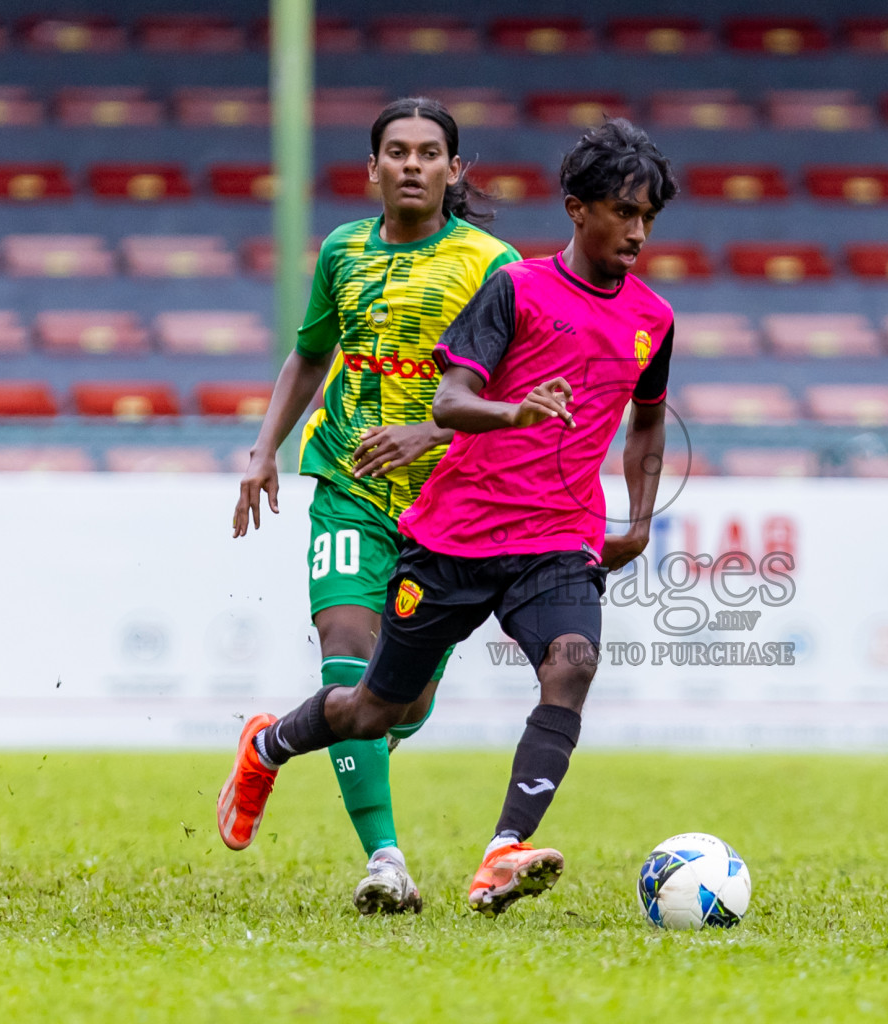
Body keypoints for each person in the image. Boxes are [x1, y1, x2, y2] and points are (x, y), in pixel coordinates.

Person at [218, 118, 678, 917]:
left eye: (648, 216)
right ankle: (275, 751)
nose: (637, 230)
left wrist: (637, 521)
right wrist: (515, 413)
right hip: (445, 527)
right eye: (622, 212)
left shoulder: (651, 319)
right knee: (373, 704)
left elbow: (648, 419)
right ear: (577, 208)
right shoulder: (512, 285)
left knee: (571, 664)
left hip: (557, 538)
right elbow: (445, 398)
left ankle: (501, 853)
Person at [226, 97, 519, 915]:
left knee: (400, 706)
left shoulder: (493, 265)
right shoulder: (342, 251)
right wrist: (264, 452)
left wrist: (428, 432)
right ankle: (386, 862)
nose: (414, 164)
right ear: (373, 168)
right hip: (348, 489)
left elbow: (509, 392)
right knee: (348, 657)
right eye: (398, 151)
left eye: (430, 152)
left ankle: (269, 744)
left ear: (454, 171)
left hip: (451, 509)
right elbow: (308, 355)